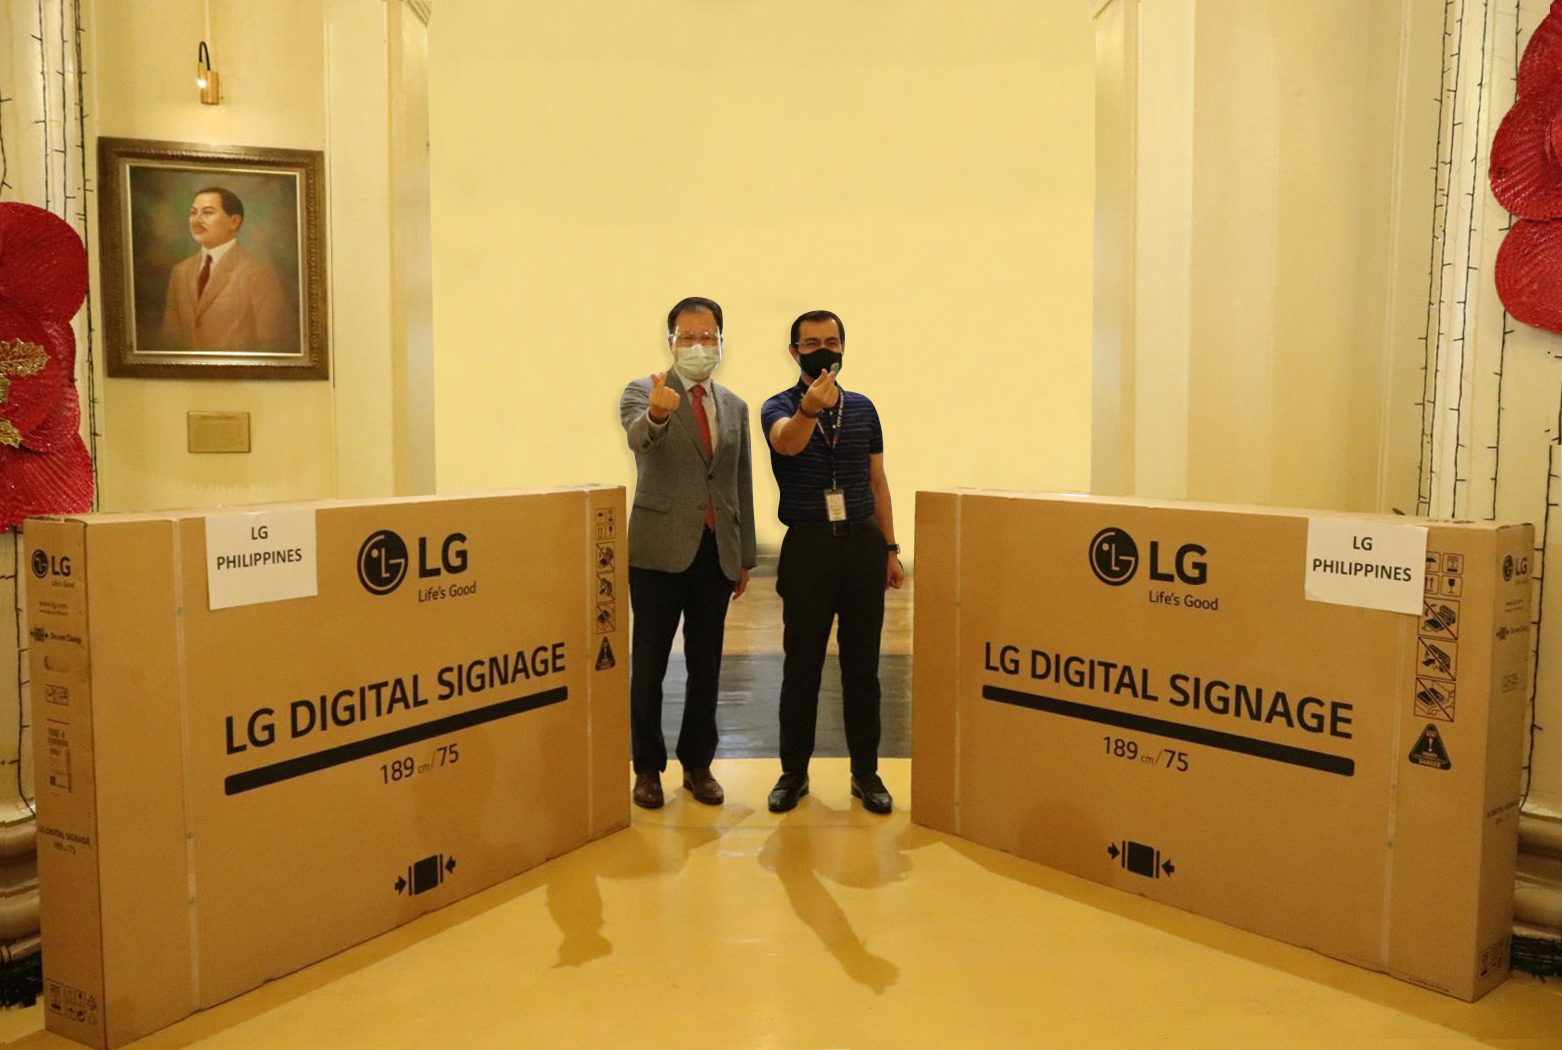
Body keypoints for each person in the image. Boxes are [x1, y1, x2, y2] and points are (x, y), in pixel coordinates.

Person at [761, 309, 904, 815]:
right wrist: (808, 410)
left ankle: (866, 772)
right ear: (794, 351)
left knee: (863, 667)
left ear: (843, 347)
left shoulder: (863, 408)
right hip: (808, 548)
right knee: (801, 666)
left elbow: (876, 480)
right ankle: (793, 773)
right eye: (811, 343)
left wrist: (890, 549)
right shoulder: (778, 406)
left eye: (832, 341)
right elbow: (787, 443)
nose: (823, 350)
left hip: (862, 545)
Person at [619, 297, 757, 809]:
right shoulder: (644, 391)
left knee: (707, 665)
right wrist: (657, 414)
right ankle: (647, 768)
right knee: (649, 665)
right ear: (671, 342)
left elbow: (738, 481)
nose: (699, 346)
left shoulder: (735, 406)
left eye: (708, 337)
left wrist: (744, 554)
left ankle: (698, 764)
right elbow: (640, 440)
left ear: (720, 341)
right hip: (658, 551)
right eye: (688, 336)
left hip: (715, 552)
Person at [159, 187, 295, 353]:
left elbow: (274, 345)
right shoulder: (180, 272)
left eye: (207, 213)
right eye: (193, 213)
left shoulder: (257, 274)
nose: (196, 220)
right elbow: (169, 340)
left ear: (234, 222)